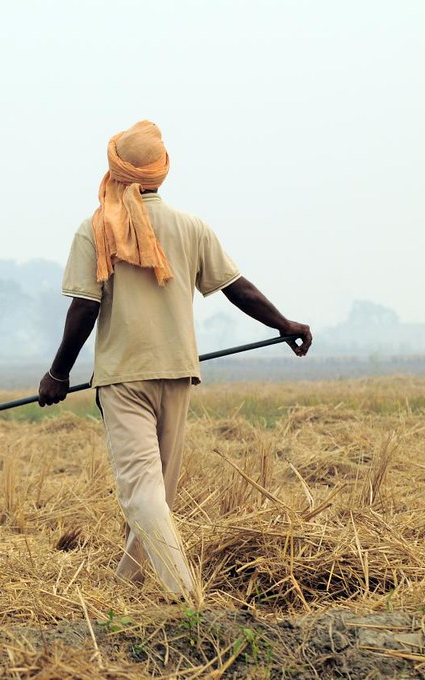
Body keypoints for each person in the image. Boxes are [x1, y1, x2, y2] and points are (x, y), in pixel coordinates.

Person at [37, 121, 312, 601]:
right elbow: (236, 288)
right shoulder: (190, 227)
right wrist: (282, 323)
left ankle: (184, 596)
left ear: (116, 169)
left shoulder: (97, 226)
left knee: (144, 493)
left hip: (124, 378)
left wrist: (58, 372)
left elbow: (85, 305)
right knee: (156, 495)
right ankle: (127, 593)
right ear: (161, 171)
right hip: (177, 373)